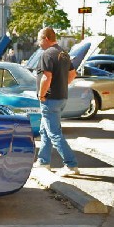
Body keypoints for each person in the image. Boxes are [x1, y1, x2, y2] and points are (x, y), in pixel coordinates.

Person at [34, 27, 79, 176]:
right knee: (45, 130)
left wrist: (41, 95)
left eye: (39, 39)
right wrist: (62, 85)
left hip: (50, 99)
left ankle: (71, 165)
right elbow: (73, 74)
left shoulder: (47, 54)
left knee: (54, 133)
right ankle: (43, 161)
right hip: (61, 97)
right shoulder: (63, 53)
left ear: (46, 38)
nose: (38, 43)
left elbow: (46, 77)